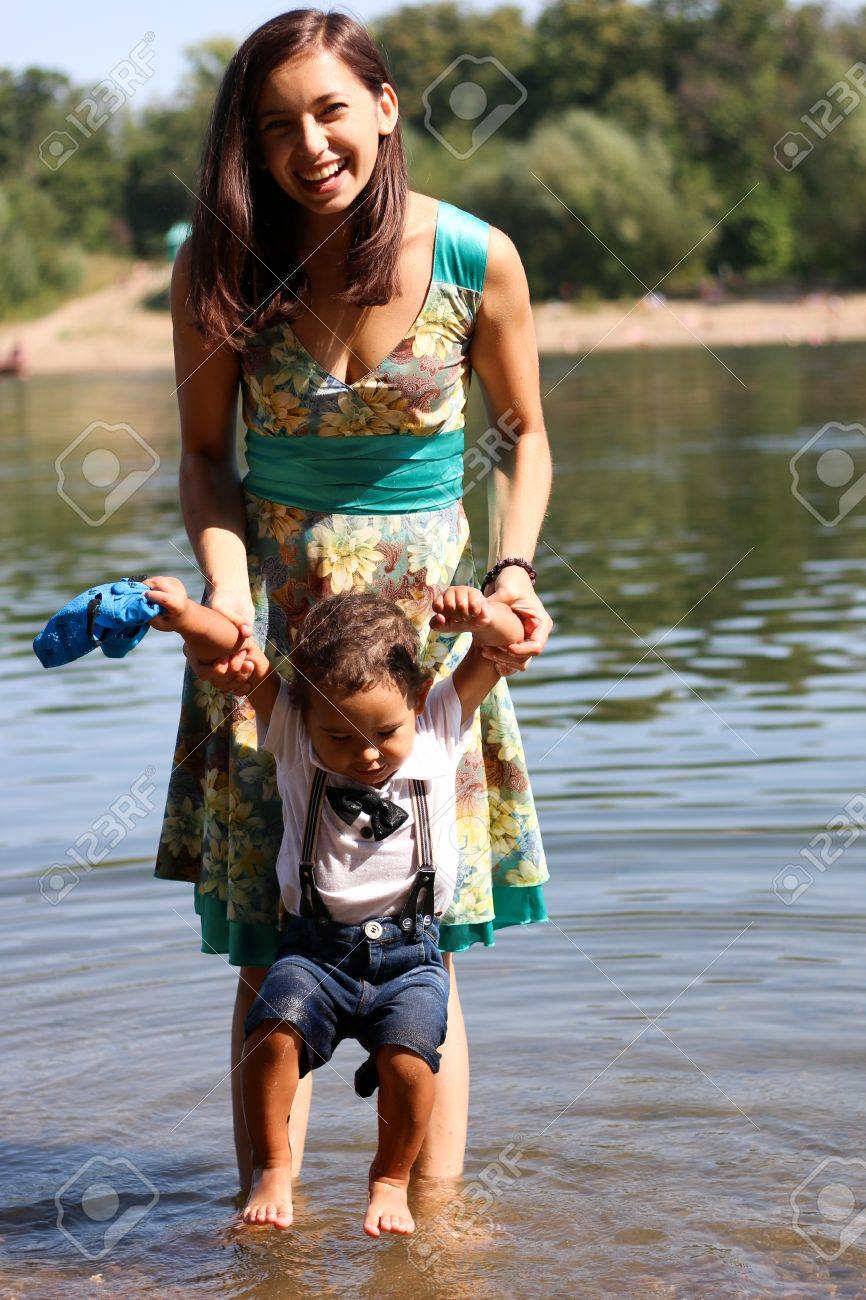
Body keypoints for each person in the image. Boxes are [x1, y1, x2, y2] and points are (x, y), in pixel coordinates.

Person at [153, 7, 554, 1192]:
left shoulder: (476, 257)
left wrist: (513, 572)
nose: (307, 144)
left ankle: (432, 1229)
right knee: (276, 941)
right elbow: (203, 459)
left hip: (427, 651)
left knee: (421, 950)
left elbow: (525, 437)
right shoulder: (219, 263)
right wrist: (224, 595)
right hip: (271, 635)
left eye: (330, 109)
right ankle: (259, 1210)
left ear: (384, 106)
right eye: (275, 125)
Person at [145, 573, 527, 1235]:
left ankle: (389, 1178)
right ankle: (272, 1165)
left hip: (411, 958)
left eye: (384, 731)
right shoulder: (292, 727)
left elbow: (505, 646)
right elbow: (238, 655)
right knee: (269, 1031)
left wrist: (484, 614)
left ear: (415, 698)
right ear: (309, 716)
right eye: (341, 738)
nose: (367, 754)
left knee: (411, 1059)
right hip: (314, 950)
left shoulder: (439, 719)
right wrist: (183, 617)